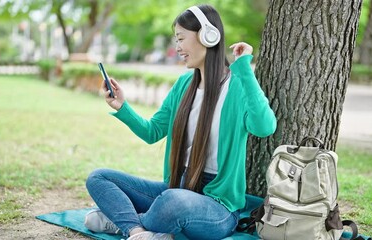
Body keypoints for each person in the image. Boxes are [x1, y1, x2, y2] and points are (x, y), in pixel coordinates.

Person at [85, 4, 277, 240]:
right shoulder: (184, 85)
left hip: (218, 207)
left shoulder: (237, 85)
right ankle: (137, 231)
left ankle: (121, 221)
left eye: (181, 39)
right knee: (99, 178)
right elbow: (152, 131)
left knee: (173, 201)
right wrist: (122, 107)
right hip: (179, 185)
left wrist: (244, 68)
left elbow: (265, 127)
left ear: (208, 36)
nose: (177, 48)